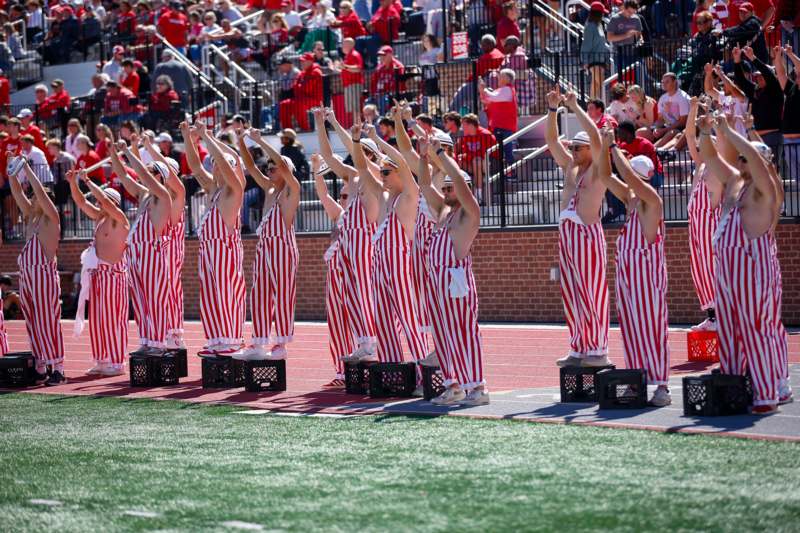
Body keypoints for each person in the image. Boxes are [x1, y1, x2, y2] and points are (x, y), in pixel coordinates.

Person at [698, 113, 785, 415]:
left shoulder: (766, 187)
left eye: (747, 160)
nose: (742, 163)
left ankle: (766, 395)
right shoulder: (735, 181)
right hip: (726, 269)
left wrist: (730, 131)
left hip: (751, 268)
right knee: (730, 332)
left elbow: (753, 157)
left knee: (756, 330)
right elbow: (708, 156)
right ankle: (734, 391)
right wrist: (706, 129)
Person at [599, 129, 671, 406]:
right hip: (629, 279)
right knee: (631, 331)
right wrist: (605, 148)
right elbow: (606, 177)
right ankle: (636, 382)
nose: (632, 184)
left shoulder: (652, 201)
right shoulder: (631, 200)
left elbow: (627, 179)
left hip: (648, 281)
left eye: (636, 179)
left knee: (653, 329)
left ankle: (661, 386)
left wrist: (614, 148)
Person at [349, 117, 427, 370]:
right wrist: (357, 140)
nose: (380, 175)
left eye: (385, 172)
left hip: (401, 272)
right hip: (380, 272)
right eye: (380, 171)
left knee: (410, 321)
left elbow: (404, 164)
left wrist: (381, 140)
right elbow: (361, 167)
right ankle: (394, 370)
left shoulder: (407, 198)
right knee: (383, 323)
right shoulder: (384, 197)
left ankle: (420, 369)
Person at [417, 134, 488, 406]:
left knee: (464, 333)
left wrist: (442, 156)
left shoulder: (469, 212)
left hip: (455, 282)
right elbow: (424, 183)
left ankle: (477, 387)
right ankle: (454, 385)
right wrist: (424, 157)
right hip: (436, 283)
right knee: (443, 334)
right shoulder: (444, 212)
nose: (446, 193)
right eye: (444, 189)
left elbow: (459, 180)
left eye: (450, 189)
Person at [545, 87, 610, 367]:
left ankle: (598, 349)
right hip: (567, 237)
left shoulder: (597, 167)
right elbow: (550, 141)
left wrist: (574, 107)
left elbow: (596, 138)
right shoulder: (570, 168)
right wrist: (551, 110)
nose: (571, 151)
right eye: (571, 147)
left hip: (587, 233)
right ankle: (579, 346)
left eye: (576, 148)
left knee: (591, 291)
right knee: (570, 291)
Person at [315, 107, 378, 362]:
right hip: (349, 243)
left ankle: (374, 342)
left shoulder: (374, 175)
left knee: (365, 293)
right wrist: (321, 123)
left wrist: (336, 123)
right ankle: (363, 341)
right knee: (352, 295)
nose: (357, 155)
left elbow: (354, 152)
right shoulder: (352, 178)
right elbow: (329, 157)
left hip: (365, 241)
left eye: (363, 151)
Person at [183, 120, 246, 355]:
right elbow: (195, 167)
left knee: (226, 292)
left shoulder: (234, 191)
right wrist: (189, 139)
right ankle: (216, 339)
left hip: (223, 251)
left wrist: (208, 138)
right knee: (209, 294)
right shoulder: (214, 190)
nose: (215, 168)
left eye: (219, 165)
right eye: (216, 165)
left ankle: (231, 339)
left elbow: (231, 169)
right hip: (208, 250)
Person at [238, 129, 301, 360]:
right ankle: (259, 342)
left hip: (282, 248)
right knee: (260, 294)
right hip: (264, 248)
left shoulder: (291, 190)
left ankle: (281, 345)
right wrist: (242, 142)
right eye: (270, 167)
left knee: (283, 296)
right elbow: (251, 167)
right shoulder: (270, 188)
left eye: (274, 167)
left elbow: (283, 167)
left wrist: (261, 141)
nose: (270, 169)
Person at [5, 156, 65, 385]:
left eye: (37, 196)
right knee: (32, 321)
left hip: (44, 275)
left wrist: (27, 168)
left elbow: (38, 191)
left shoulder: (51, 217)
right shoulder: (31, 218)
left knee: (48, 320)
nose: (32, 198)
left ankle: (57, 367)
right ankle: (41, 364)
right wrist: (12, 171)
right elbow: (18, 193)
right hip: (28, 276)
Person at [108, 141, 173, 354]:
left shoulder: (163, 195)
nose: (148, 174)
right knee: (140, 300)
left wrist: (127, 151)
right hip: (136, 253)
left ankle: (158, 342)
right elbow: (126, 177)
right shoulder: (146, 196)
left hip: (151, 253)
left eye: (154, 171)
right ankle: (146, 340)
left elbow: (141, 174)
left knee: (155, 299)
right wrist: (114, 155)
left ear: (160, 177)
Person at [68, 168, 130, 376]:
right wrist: (73, 183)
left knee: (114, 319)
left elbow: (102, 198)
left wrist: (87, 181)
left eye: (103, 202)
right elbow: (81, 203)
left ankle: (117, 361)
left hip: (113, 275)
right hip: (97, 275)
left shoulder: (119, 218)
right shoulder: (100, 218)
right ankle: (102, 359)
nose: (98, 205)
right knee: (97, 320)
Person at [310, 152, 354, 386]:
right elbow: (323, 194)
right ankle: (341, 371)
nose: (342, 198)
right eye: (342, 195)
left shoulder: (366, 214)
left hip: (355, 277)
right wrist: (317, 168)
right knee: (336, 324)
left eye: (346, 195)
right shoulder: (339, 214)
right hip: (334, 276)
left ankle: (359, 369)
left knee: (359, 323)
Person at [142, 134, 186, 349]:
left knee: (171, 291)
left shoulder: (175, 195)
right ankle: (157, 333)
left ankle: (174, 333)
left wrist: (150, 148)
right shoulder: (155, 196)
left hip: (171, 249)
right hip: (158, 249)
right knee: (155, 294)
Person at [683, 97, 723, 331]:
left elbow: (727, 142)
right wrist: (694, 108)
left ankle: (721, 316)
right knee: (700, 271)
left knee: (713, 269)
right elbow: (689, 135)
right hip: (695, 224)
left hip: (711, 224)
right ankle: (711, 316)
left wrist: (714, 121)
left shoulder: (720, 166)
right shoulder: (700, 165)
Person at [734, 45, 785, 158]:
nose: (759, 78)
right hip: (754, 137)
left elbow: (768, 74)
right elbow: (741, 80)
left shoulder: (775, 89)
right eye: (757, 77)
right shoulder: (755, 90)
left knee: (771, 170)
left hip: (772, 136)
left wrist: (753, 58)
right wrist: (737, 61)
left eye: (762, 76)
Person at [479, 68, 518, 174]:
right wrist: (482, 91)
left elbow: (493, 97)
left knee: (507, 151)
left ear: (507, 78)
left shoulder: (507, 89)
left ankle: (512, 173)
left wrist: (485, 90)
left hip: (505, 126)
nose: (498, 77)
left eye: (501, 76)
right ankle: (506, 173)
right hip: (498, 125)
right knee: (500, 152)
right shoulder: (500, 90)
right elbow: (487, 100)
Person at [639, 73, 690, 150]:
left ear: (675, 82)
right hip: (666, 127)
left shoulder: (682, 98)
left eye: (667, 82)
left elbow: (682, 122)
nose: (664, 84)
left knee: (671, 133)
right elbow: (660, 119)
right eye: (663, 82)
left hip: (679, 129)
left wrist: (663, 130)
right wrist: (656, 128)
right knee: (640, 132)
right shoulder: (663, 98)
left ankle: (652, 150)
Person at [279, 52, 323, 131]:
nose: (301, 63)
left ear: (310, 61)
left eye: (304, 61)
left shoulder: (316, 71)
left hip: (314, 100)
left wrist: (300, 86)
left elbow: (307, 88)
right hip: (302, 98)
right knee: (284, 104)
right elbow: (295, 88)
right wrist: (300, 86)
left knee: (298, 104)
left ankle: (305, 129)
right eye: (301, 61)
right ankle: (288, 131)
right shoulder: (303, 73)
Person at [580, 2, 612, 100]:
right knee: (600, 83)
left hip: (600, 59)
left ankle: (592, 103)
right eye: (602, 13)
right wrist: (584, 61)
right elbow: (586, 45)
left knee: (596, 84)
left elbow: (603, 44)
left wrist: (606, 60)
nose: (603, 15)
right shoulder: (590, 26)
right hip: (593, 61)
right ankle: (600, 104)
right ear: (597, 14)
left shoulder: (599, 25)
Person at [607, 0, 643, 80]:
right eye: (629, 12)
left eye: (633, 12)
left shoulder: (636, 19)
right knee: (623, 78)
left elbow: (640, 35)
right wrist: (626, 35)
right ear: (624, 8)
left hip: (634, 52)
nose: (631, 15)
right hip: (620, 53)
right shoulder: (615, 19)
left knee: (640, 76)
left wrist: (640, 40)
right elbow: (609, 37)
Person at [369, 45, 405, 114]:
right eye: (380, 55)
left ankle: (383, 119)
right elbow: (373, 82)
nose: (381, 57)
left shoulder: (398, 66)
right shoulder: (379, 68)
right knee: (368, 102)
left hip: (392, 96)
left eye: (384, 55)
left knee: (383, 100)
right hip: (379, 95)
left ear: (390, 55)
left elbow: (400, 83)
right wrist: (373, 95)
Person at [337, 37, 364, 124]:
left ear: (350, 45)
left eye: (344, 44)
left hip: (354, 84)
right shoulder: (348, 55)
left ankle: (358, 126)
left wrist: (344, 66)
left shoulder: (354, 54)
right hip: (349, 85)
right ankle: (356, 125)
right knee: (353, 109)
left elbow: (358, 68)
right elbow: (346, 69)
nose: (342, 46)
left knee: (356, 108)